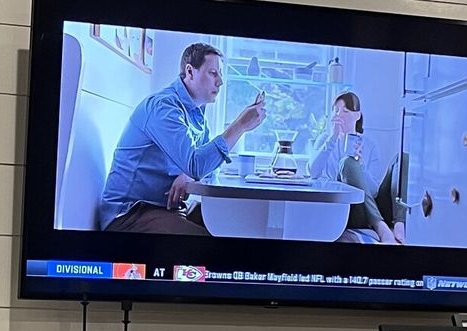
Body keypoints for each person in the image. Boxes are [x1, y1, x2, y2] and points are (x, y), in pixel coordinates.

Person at [98, 42, 266, 234]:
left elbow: (203, 166)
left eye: (220, 74)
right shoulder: (164, 108)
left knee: (231, 225)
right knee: (208, 242)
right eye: (213, 73)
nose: (220, 81)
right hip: (129, 214)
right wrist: (240, 126)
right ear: (190, 72)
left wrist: (186, 174)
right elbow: (197, 165)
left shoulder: (196, 112)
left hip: (165, 208)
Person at [307, 91, 393, 243]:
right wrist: (332, 138)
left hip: (359, 209)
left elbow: (373, 191)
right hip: (337, 208)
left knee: (349, 162)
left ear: (357, 115)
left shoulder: (370, 145)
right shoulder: (324, 141)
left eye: (345, 111)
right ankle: (380, 226)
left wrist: (360, 166)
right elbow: (313, 173)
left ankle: (381, 225)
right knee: (347, 162)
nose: (340, 115)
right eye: (336, 111)